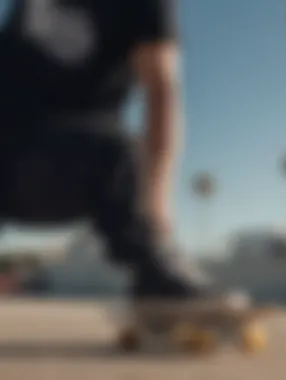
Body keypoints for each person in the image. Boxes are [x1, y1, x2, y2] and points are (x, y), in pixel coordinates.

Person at [0, 0, 248, 312]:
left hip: (79, 162)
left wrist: (156, 213)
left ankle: (156, 276)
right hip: (9, 150)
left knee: (119, 150)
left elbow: (160, 88)